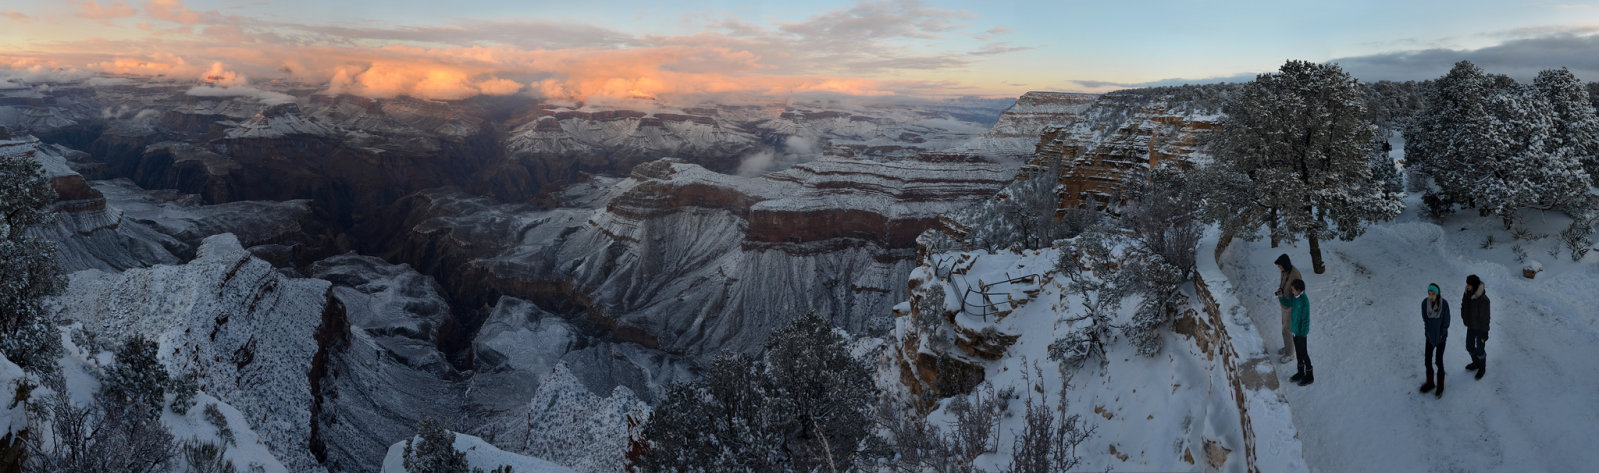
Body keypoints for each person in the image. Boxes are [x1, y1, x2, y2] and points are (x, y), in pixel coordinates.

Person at [1419, 283, 1450, 398]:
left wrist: (1442, 334)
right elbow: (1425, 319)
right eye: (1429, 294)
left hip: (1441, 338)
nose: (1431, 296)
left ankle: (1440, 386)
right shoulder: (1424, 303)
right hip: (1430, 337)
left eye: (1433, 294)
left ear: (1437, 294)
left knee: (1438, 361)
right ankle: (1430, 383)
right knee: (1427, 361)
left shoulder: (1444, 304)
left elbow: (1446, 321)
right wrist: (1427, 332)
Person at [1274, 254, 1303, 363]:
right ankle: (1288, 347)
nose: (1278, 267)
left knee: (1287, 330)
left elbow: (1299, 293)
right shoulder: (1284, 271)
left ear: (1284, 264)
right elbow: (1284, 284)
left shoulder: (1295, 274)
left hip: (1291, 306)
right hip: (1285, 305)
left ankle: (1290, 354)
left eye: (1279, 265)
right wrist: (1281, 291)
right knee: (1285, 327)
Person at [1461, 274, 1491, 380]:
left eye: (1469, 284)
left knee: (1480, 349)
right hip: (1471, 326)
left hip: (1480, 329)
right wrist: (1464, 316)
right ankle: (1476, 363)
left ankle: (1482, 368)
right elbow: (1463, 305)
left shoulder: (1483, 300)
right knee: (1469, 346)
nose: (1467, 286)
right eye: (1467, 284)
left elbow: (1485, 317)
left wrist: (1485, 332)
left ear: (1474, 285)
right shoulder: (1467, 293)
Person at [1288, 279, 1313, 386]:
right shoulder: (1295, 298)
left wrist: (1302, 334)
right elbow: (1287, 303)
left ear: (1299, 290)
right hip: (1295, 331)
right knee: (1298, 353)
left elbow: (1306, 319)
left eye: (1293, 290)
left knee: (1304, 354)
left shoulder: (1304, 301)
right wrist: (1281, 297)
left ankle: (1310, 376)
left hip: (1301, 333)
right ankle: (1300, 373)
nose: (1292, 291)